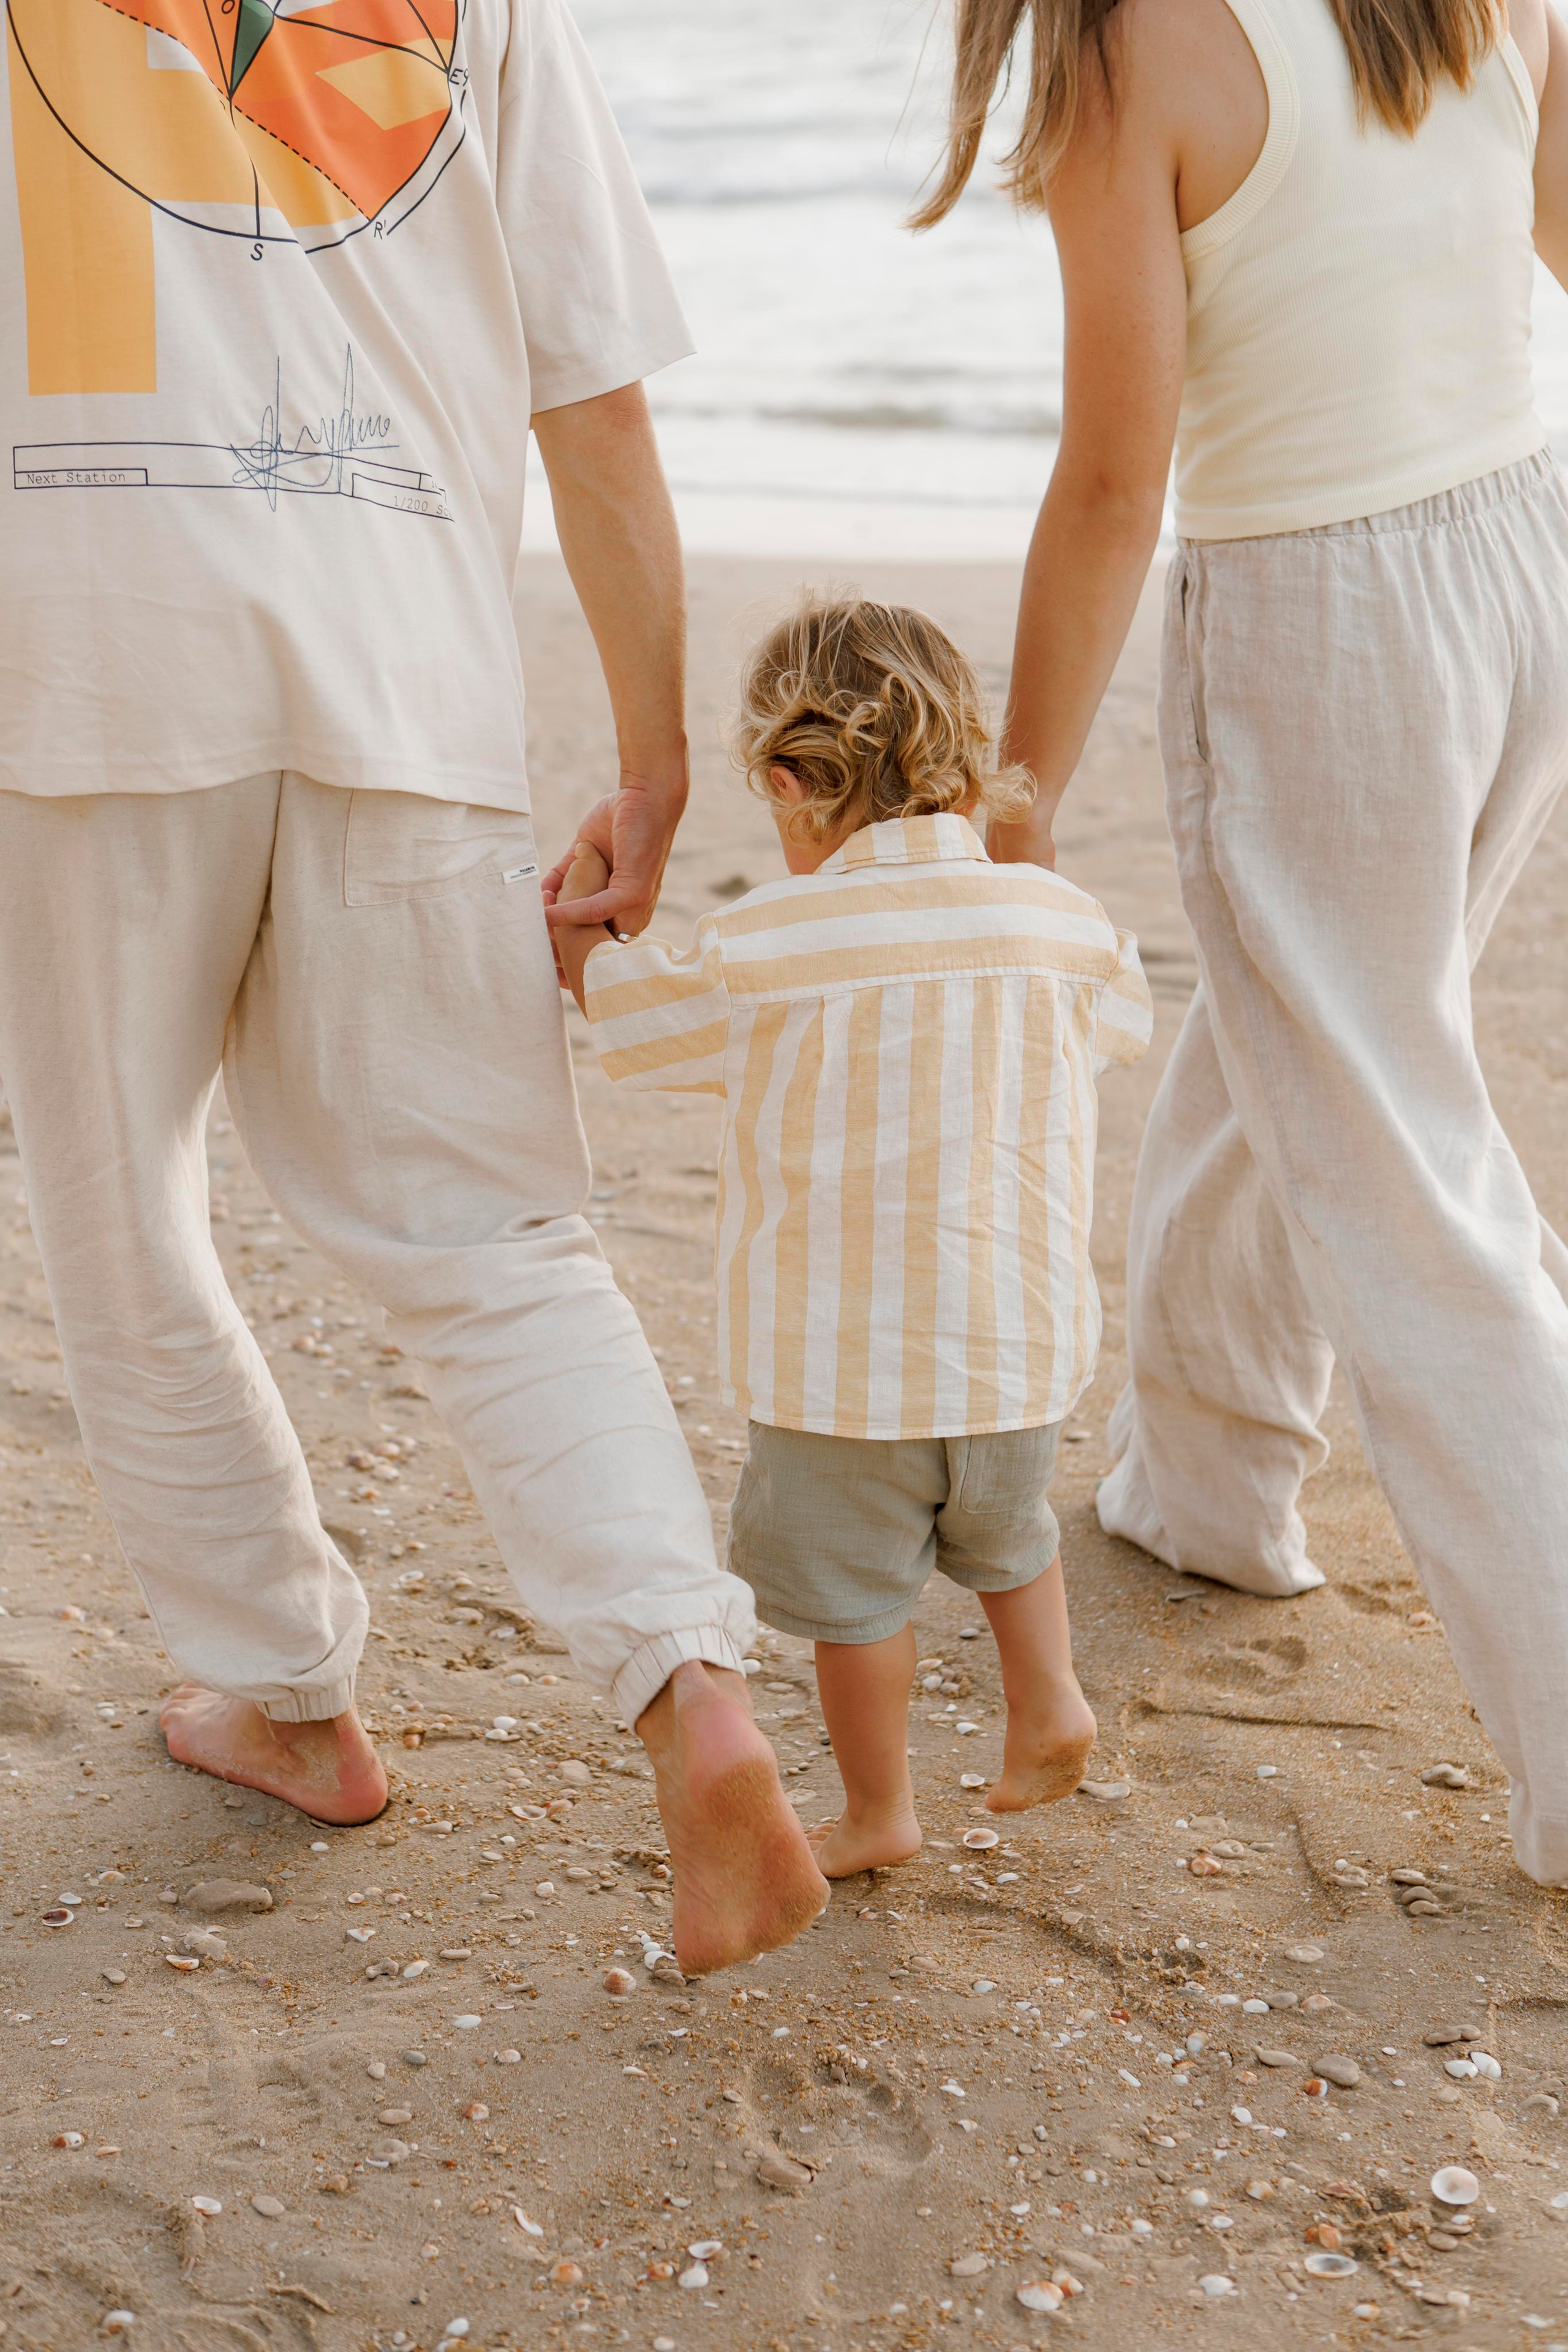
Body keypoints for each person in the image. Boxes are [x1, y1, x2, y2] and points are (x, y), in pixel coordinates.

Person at [0, 0, 828, 1971]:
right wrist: (652, 754)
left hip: (98, 660)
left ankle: (285, 1694)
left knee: (127, 1215)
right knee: (498, 1237)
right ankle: (688, 1688)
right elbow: (594, 391)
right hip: (409, 673)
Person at [913, 0, 1568, 1882]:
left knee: (1409, 1185)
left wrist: (1009, 806)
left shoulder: (1141, 49)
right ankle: (1206, 1485)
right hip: (1521, 562)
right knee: (1301, 1030)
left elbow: (1118, 481)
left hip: (1326, 611)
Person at [552, 592, 1152, 1875]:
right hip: (1013, 1344)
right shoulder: (1057, 919)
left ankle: (879, 1816)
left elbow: (630, 1024)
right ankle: (1047, 1704)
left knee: (855, 1606)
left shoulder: (765, 944)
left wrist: (591, 915)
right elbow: (1117, 1027)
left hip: (840, 1372)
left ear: (785, 781)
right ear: (967, 758)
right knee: (1010, 1535)